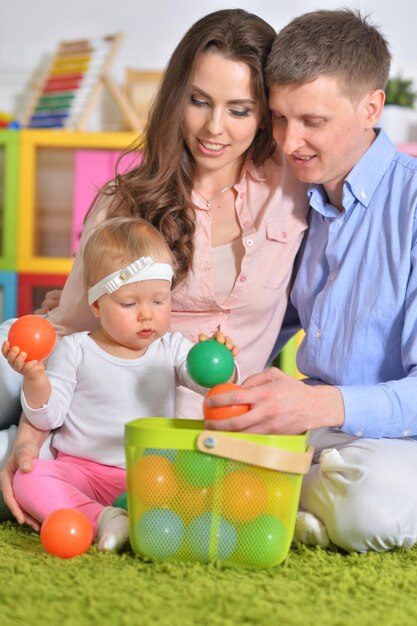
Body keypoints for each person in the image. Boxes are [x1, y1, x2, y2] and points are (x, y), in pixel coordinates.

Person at [0, 8, 309, 526]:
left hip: (168, 425)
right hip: (74, 384)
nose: (213, 128)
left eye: (239, 109)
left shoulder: (294, 190)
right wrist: (33, 436)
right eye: (198, 102)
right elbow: (73, 330)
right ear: (176, 100)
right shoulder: (127, 198)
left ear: (265, 114)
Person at [205, 8, 417, 554]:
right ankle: (294, 492)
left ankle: (283, 490)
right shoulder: (303, 200)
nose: (289, 141)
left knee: (369, 503)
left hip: (394, 440)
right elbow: (275, 318)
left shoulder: (410, 205)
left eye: (313, 122)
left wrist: (316, 407)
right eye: (278, 118)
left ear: (372, 106)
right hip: (317, 431)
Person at [2, 216, 238, 550]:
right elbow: (47, 417)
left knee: (209, 480)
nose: (147, 314)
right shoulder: (76, 349)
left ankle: (131, 520)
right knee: (30, 478)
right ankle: (107, 520)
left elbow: (209, 386)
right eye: (129, 304)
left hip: (152, 474)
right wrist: (35, 378)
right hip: (81, 474)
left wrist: (220, 363)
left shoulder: (171, 348)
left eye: (159, 301)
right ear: (97, 305)